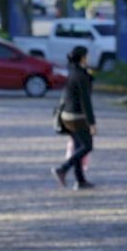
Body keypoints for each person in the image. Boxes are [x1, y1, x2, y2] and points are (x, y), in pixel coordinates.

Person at [51, 45, 97, 191]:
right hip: (76, 116)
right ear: (83, 58)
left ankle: (80, 180)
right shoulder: (81, 75)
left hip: (66, 115)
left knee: (78, 146)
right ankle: (62, 169)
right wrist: (92, 123)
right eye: (86, 56)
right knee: (87, 146)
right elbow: (85, 101)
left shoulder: (73, 72)